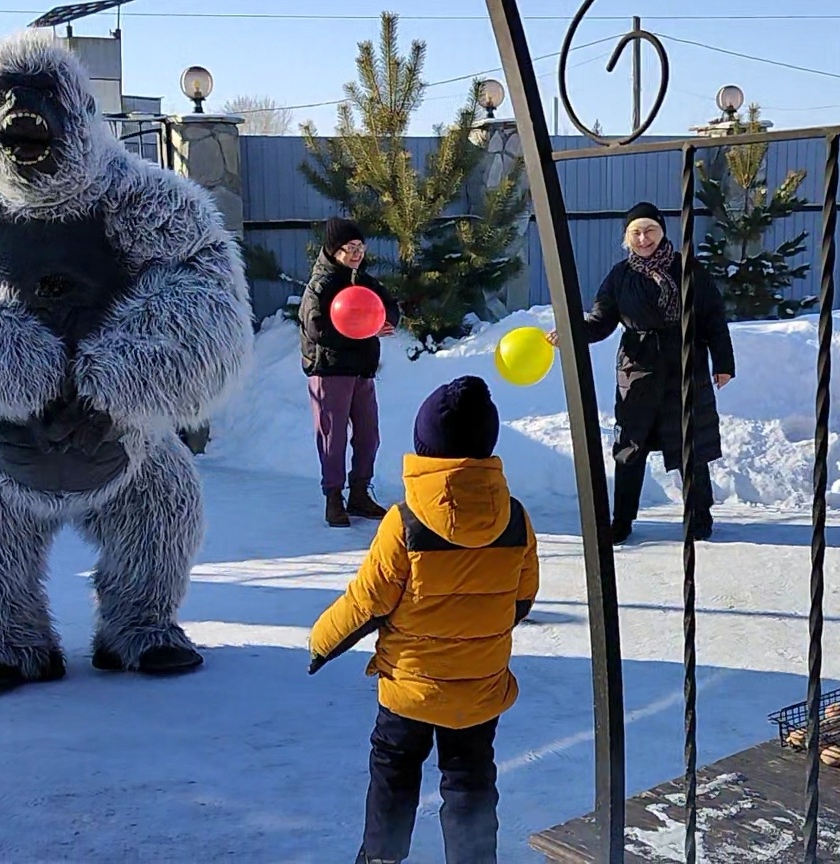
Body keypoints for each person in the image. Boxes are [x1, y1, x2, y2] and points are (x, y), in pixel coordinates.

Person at [308, 375, 539, 864]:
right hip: (479, 687)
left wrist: (320, 641)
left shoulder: (406, 521)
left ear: (425, 447)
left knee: (394, 768)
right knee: (470, 778)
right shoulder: (515, 518)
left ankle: (382, 857)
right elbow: (522, 600)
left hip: (409, 686)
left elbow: (367, 600)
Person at [547, 202, 736, 544]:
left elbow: (713, 319)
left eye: (650, 230)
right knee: (629, 448)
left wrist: (723, 364)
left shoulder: (688, 269)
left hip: (685, 366)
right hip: (637, 372)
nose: (643, 238)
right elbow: (601, 322)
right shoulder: (620, 276)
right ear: (626, 238)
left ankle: (699, 516)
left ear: (662, 232)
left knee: (689, 443)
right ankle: (622, 520)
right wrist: (571, 332)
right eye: (636, 232)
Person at [300, 217, 402, 528]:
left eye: (360, 247)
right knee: (334, 438)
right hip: (331, 371)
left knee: (368, 434)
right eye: (350, 248)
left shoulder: (363, 281)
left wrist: (388, 322)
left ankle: (360, 492)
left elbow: (389, 305)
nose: (357, 253)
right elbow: (316, 328)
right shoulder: (319, 286)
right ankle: (334, 497)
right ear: (333, 251)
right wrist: (358, 331)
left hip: (362, 371)